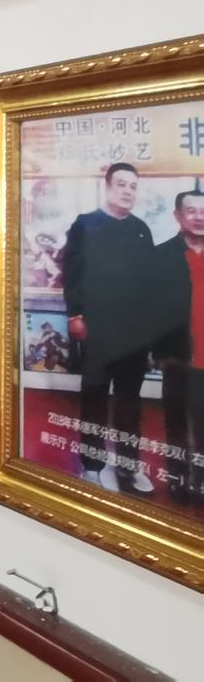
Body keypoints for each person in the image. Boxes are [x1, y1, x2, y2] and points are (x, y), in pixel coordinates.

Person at [61, 163, 168, 496]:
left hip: (134, 334)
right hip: (97, 330)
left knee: (129, 403)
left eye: (133, 186)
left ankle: (128, 465)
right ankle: (92, 466)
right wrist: (75, 315)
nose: (127, 191)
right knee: (94, 397)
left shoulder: (140, 229)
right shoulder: (85, 224)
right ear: (107, 186)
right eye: (121, 184)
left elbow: (150, 283)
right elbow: (71, 274)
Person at [151, 189, 204, 503]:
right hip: (176, 355)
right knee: (176, 422)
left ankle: (202, 480)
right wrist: (158, 351)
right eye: (191, 211)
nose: (199, 217)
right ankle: (178, 477)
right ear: (178, 215)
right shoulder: (162, 256)